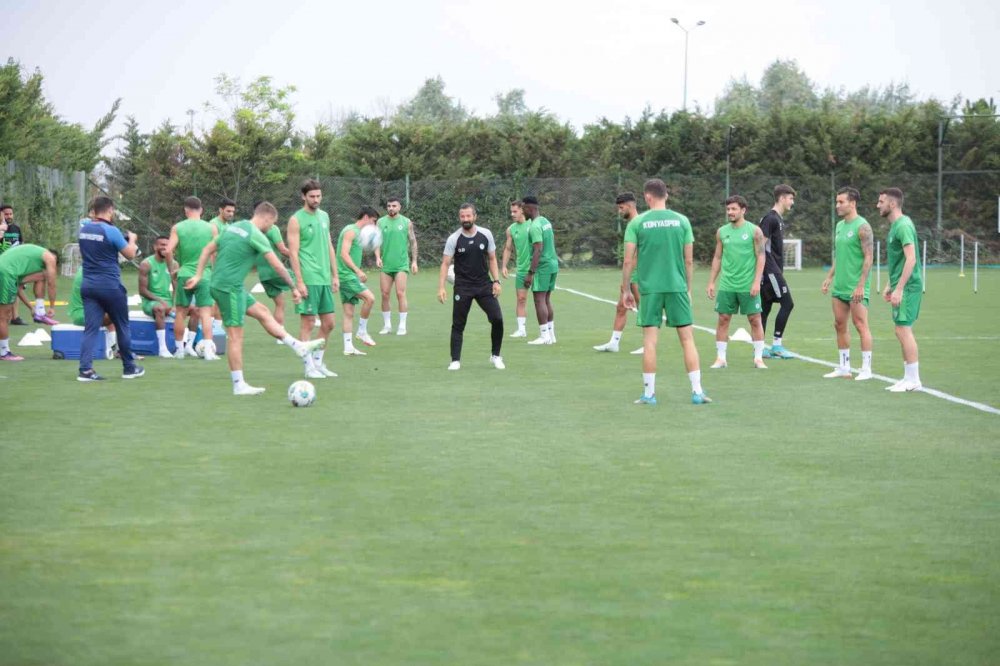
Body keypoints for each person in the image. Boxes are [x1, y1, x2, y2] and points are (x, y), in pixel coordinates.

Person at [184, 201, 325, 395]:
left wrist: (199, 274)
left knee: (263, 312)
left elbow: (207, 249)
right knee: (235, 336)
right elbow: (277, 265)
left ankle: (297, 345)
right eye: (272, 223)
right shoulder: (256, 235)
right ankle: (238, 384)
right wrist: (293, 287)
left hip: (225, 285)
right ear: (266, 217)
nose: (271, 228)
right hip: (229, 289)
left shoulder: (233, 227)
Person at [621, 179, 710, 406]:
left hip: (649, 289)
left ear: (647, 197)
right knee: (687, 339)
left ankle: (649, 394)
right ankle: (697, 392)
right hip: (676, 286)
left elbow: (628, 261)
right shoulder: (682, 221)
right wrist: (688, 288)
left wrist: (626, 290)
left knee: (650, 341)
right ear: (666, 195)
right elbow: (688, 260)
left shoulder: (637, 223)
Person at [76, 197, 143, 381]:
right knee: (122, 326)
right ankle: (129, 368)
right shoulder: (111, 230)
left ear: (93, 210)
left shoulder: (84, 230)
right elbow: (130, 254)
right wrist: (133, 240)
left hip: (88, 285)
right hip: (110, 285)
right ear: (110, 210)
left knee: (91, 329)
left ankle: (85, 370)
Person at [437, 203, 504, 371]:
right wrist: (441, 287)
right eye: (462, 216)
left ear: (475, 216)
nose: (465, 219)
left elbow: (492, 259)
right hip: (463, 287)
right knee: (458, 324)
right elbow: (445, 264)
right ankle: (455, 360)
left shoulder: (486, 234)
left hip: (483, 285)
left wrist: (496, 281)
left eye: (468, 216)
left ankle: (496, 355)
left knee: (497, 319)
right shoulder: (454, 238)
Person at [707, 195, 768, 369]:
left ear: (743, 210)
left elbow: (761, 256)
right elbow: (718, 257)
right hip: (727, 285)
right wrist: (711, 282)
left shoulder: (755, 231)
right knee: (723, 319)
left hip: (748, 285)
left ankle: (758, 358)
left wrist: (757, 281)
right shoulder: (721, 232)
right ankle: (721, 358)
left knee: (755, 320)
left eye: (734, 209)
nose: (730, 212)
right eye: (728, 209)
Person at [287, 179, 339, 379]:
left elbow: (329, 246)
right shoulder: (296, 219)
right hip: (308, 277)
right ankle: (308, 367)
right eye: (312, 197)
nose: (316, 200)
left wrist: (334, 275)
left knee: (329, 323)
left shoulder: (324, 216)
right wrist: (299, 281)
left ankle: (318, 363)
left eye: (318, 196)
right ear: (303, 196)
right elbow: (293, 252)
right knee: (308, 323)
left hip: (324, 277)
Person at [821, 186, 874, 380]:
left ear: (852, 203)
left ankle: (866, 370)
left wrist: (861, 285)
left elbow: (869, 257)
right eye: (837, 202)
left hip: (856, 286)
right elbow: (839, 255)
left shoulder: (863, 226)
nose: (837, 205)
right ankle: (844, 367)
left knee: (860, 325)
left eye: (841, 202)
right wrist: (830, 276)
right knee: (839, 324)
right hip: (840, 286)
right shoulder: (839, 226)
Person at [877, 188, 923, 392]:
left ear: (892, 204)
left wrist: (900, 289)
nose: (878, 205)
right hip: (900, 284)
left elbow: (911, 258)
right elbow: (899, 260)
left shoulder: (903, 225)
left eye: (881, 202)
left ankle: (914, 380)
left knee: (903, 329)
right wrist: (890, 284)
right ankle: (907, 378)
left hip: (909, 286)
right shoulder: (896, 226)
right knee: (900, 329)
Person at [166, 196, 219, 360]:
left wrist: (171, 269)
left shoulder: (178, 227)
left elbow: (168, 251)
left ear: (185, 210)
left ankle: (179, 351)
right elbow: (214, 253)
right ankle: (209, 351)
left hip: (185, 274)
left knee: (181, 312)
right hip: (205, 274)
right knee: (206, 312)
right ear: (201, 210)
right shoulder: (212, 228)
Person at [594, 192, 644, 354]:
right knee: (621, 307)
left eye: (621, 208)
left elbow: (634, 256)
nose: (619, 211)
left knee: (644, 309)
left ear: (630, 206)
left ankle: (648, 344)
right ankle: (614, 343)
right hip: (633, 274)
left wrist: (628, 280)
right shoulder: (634, 223)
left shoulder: (637, 223)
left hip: (639, 274)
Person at [0, 244, 59, 362]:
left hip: (5, 269)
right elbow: (52, 284)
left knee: (42, 276)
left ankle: (39, 312)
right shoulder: (49, 258)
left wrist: (31, 308)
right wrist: (52, 306)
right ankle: (4, 352)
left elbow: (17, 288)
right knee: (4, 316)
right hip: (5, 272)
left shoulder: (28, 261)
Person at [759, 184, 796, 358]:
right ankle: (776, 345)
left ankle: (759, 349)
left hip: (772, 270)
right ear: (781, 198)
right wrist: (762, 271)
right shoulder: (770, 219)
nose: (792, 202)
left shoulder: (778, 219)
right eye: (790, 198)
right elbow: (759, 246)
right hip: (770, 271)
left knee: (764, 309)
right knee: (788, 303)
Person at [337, 207, 379, 355]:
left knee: (348, 313)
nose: (374, 225)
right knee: (370, 298)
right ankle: (361, 331)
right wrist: (358, 270)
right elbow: (343, 254)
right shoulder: (351, 231)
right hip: (346, 275)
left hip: (348, 276)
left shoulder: (359, 233)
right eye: (373, 221)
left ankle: (348, 347)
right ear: (366, 217)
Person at [375, 197, 418, 335]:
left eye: (394, 206)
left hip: (401, 264)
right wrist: (377, 257)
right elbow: (376, 242)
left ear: (399, 207)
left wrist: (414, 261)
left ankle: (402, 326)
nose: (391, 208)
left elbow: (413, 242)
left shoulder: (406, 222)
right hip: (386, 265)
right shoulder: (380, 222)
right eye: (389, 206)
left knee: (400, 293)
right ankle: (387, 326)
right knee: (385, 294)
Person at [523, 195, 559, 345]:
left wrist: (530, 273)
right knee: (546, 300)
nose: (522, 212)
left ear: (530, 208)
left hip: (542, 267)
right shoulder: (546, 221)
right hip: (553, 264)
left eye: (523, 208)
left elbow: (538, 250)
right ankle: (551, 335)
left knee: (539, 300)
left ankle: (544, 336)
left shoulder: (535, 226)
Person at [138, 235, 175, 358]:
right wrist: (160, 300)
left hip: (168, 301)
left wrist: (175, 304)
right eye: (162, 245)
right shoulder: (146, 264)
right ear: (155, 247)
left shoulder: (174, 264)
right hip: (151, 302)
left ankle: (186, 347)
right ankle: (163, 348)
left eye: (167, 245)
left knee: (195, 309)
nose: (164, 247)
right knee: (160, 308)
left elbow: (177, 287)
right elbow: (142, 291)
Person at [500, 200, 531, 338]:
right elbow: (508, 248)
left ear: (522, 210)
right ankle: (521, 329)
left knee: (540, 299)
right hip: (522, 269)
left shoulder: (533, 225)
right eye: (511, 211)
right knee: (521, 298)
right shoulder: (511, 229)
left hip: (537, 269)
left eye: (515, 211)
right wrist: (504, 266)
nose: (512, 214)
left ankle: (547, 331)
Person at [0, 203, 35, 326]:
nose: (9, 216)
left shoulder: (16, 228)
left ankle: (16, 317)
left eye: (10, 214)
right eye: (6, 214)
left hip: (14, 266)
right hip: (2, 265)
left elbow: (21, 245)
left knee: (16, 289)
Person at [255, 216, 292, 328]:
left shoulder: (254, 230)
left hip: (263, 275)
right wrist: (300, 256)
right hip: (275, 271)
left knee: (280, 303)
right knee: (305, 282)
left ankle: (280, 334)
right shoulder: (273, 228)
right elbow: (282, 249)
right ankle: (312, 317)